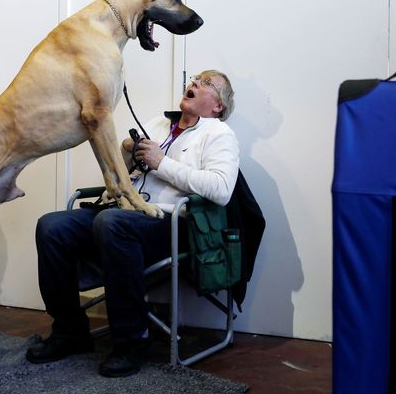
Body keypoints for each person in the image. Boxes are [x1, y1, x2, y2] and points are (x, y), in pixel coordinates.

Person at [27, 70, 239, 377]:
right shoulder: (157, 124)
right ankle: (69, 332)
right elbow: (124, 174)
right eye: (195, 78)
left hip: (170, 224)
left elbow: (221, 190)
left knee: (112, 223)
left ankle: (131, 341)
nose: (194, 83)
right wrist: (124, 151)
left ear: (218, 105)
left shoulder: (218, 134)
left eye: (206, 83)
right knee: (52, 226)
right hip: (122, 210)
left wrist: (161, 163)